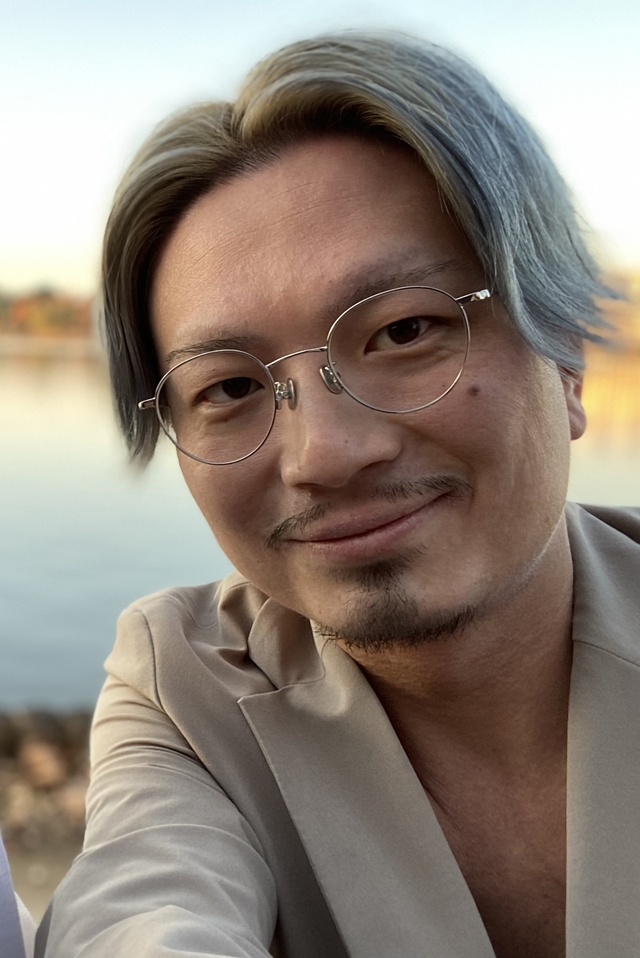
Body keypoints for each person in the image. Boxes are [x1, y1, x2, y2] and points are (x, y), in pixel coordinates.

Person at [36, 32, 639, 958]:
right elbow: (144, 909)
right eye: (228, 387)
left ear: (564, 361)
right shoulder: (191, 691)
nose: (324, 454)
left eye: (404, 331)